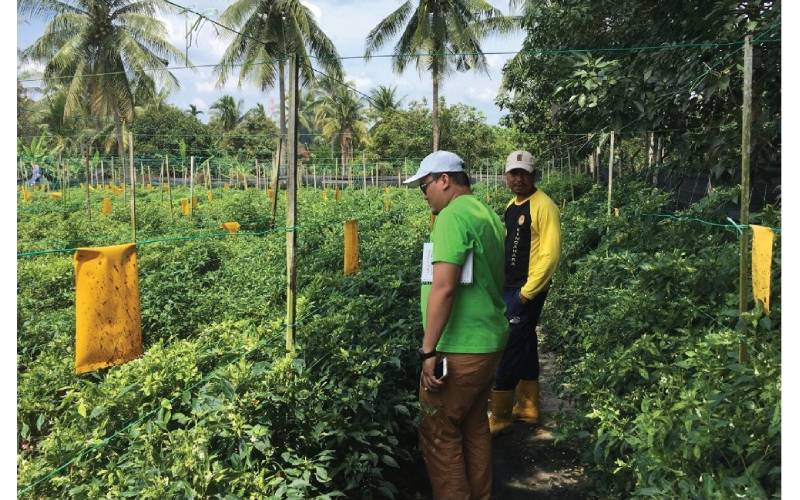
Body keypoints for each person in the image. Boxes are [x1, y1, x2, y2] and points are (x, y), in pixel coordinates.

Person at [405, 150, 508, 499]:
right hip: (488, 342)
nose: (424, 195)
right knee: (475, 427)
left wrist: (429, 350)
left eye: (425, 186)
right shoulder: (487, 214)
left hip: (459, 348)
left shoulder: (451, 218)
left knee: (438, 433)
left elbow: (444, 287)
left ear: (444, 180)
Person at [489, 150, 561, 436]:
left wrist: (527, 293)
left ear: (533, 175)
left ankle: (502, 414)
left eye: (524, 173)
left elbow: (550, 254)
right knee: (526, 342)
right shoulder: (512, 205)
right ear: (506, 176)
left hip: (525, 290)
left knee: (508, 347)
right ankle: (528, 408)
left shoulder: (544, 206)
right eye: (513, 173)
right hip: (510, 288)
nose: (518, 179)